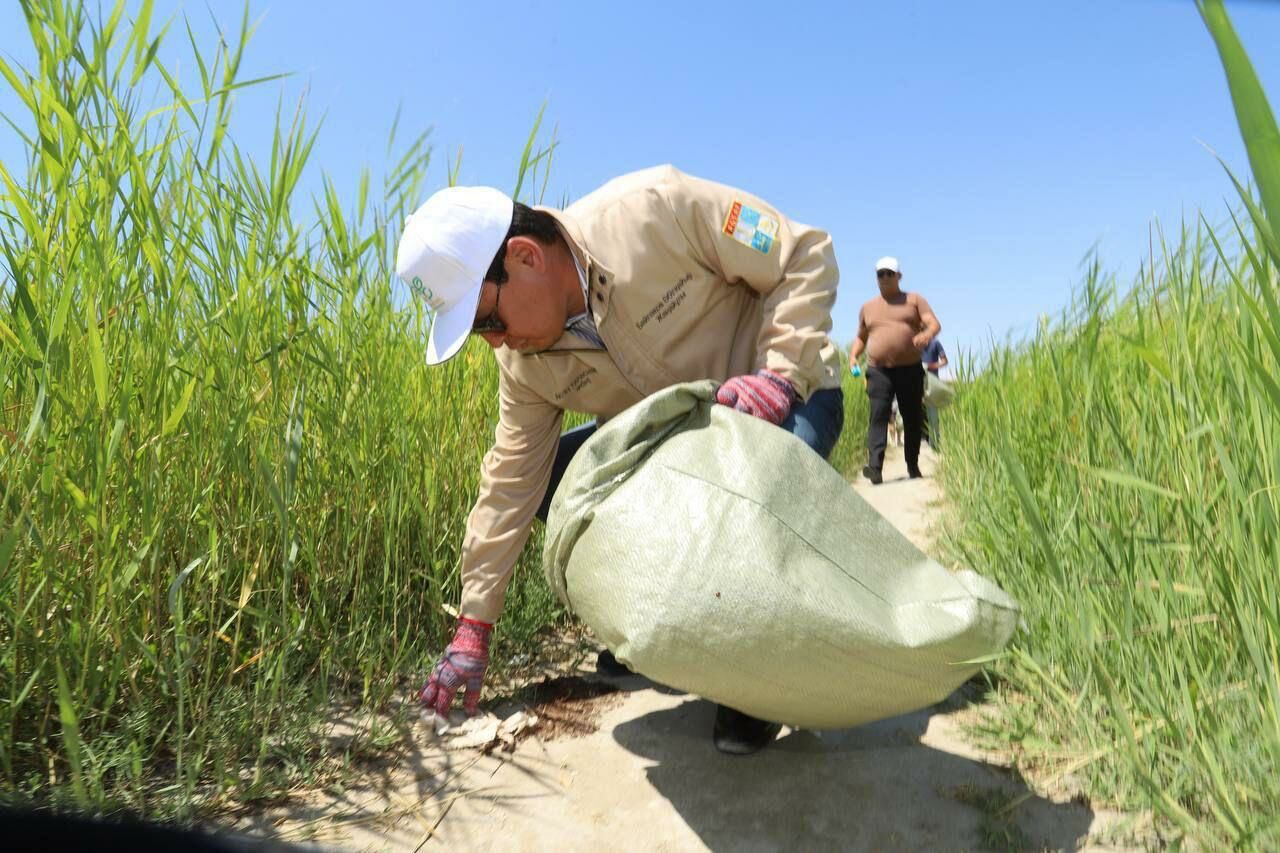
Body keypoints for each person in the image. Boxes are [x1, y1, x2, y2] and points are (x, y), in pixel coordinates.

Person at [395, 166, 845, 755]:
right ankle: (649, 633)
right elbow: (511, 482)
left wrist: (779, 374)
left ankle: (754, 684)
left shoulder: (658, 209)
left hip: (778, 406)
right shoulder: (525, 365)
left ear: (525, 257)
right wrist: (473, 627)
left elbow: (802, 253)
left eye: (487, 320)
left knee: (755, 497)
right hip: (671, 446)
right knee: (561, 481)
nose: (496, 342)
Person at [846, 257, 941, 485]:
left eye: (890, 273)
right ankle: (875, 468)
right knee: (878, 415)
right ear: (876, 278)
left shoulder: (914, 300)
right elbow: (861, 337)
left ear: (899, 276)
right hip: (879, 371)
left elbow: (933, 323)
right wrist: (852, 356)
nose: (885, 278)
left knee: (912, 417)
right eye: (881, 274)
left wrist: (926, 335)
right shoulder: (868, 308)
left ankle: (912, 464)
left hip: (909, 369)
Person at [921, 337, 948, 449]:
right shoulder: (915, 344)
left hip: (932, 381)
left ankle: (934, 443)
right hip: (918, 380)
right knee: (919, 411)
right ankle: (922, 439)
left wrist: (930, 366)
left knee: (933, 412)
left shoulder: (935, 343)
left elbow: (945, 361)